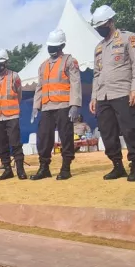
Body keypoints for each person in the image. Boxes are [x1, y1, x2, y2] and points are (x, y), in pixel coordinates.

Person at [90, 5, 135, 182]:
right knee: (107, 133)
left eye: (103, 25)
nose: (100, 29)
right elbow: (96, 74)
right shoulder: (98, 48)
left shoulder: (129, 38)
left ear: (111, 21)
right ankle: (117, 166)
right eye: (97, 27)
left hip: (123, 91)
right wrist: (94, 96)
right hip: (103, 96)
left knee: (130, 131)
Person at [31, 29, 82, 181]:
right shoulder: (43, 65)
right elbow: (40, 87)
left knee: (66, 137)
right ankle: (44, 167)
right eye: (50, 46)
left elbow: (75, 83)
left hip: (63, 105)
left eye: (55, 46)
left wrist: (75, 105)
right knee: (44, 137)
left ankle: (66, 168)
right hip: (47, 107)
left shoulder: (69, 61)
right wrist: (36, 106)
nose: (51, 49)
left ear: (62, 46)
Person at [0, 48, 26, 180]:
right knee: (2, 144)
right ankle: (7, 169)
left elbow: (19, 94)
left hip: (12, 115)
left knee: (15, 143)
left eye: (0, 62)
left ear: (6, 62)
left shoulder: (14, 76)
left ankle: (20, 169)